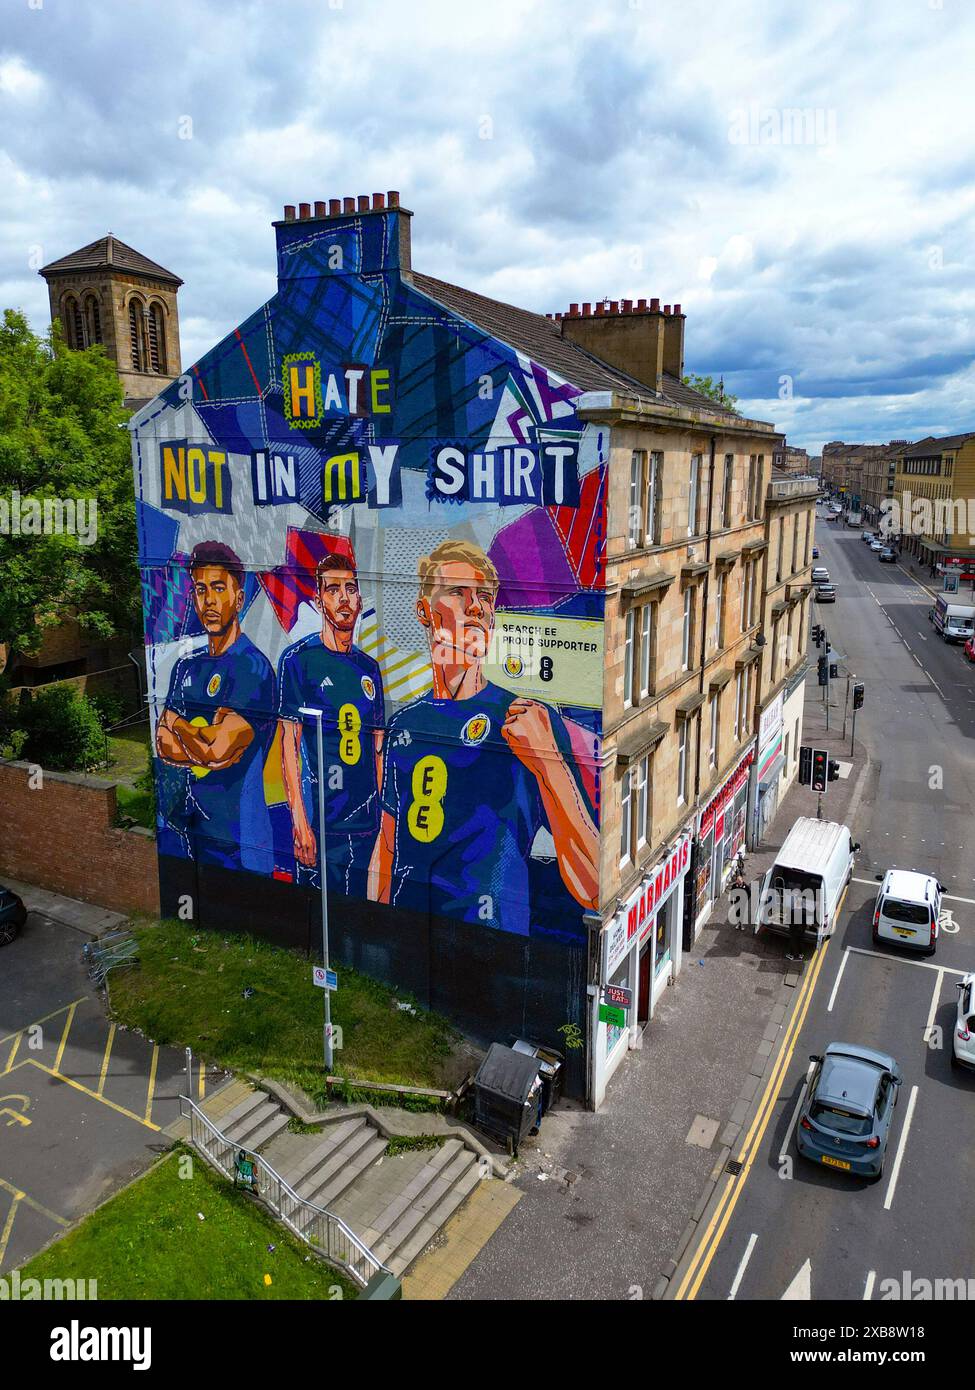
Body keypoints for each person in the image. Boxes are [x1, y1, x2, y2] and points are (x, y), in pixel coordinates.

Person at [367, 538, 598, 934]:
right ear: (424, 611)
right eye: (458, 593)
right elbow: (387, 846)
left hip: (492, 948)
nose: (476, 606)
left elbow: (594, 888)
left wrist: (548, 765)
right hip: (410, 935)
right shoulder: (403, 724)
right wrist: (371, 927)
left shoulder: (527, 719)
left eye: (486, 598)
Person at [156, 541, 276, 872]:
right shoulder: (186, 666)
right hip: (191, 830)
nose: (208, 600)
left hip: (240, 844)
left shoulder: (253, 668)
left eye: (218, 588)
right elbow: (162, 744)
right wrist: (200, 735)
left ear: (238, 598)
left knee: (244, 916)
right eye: (200, 589)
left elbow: (217, 750)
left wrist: (179, 724)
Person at [277, 550, 384, 896]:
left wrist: (384, 823)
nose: (344, 598)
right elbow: (288, 747)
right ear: (319, 600)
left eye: (350, 589)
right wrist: (299, 823)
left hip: (368, 826)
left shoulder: (369, 669)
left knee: (366, 917)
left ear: (359, 598)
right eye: (333, 590)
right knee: (326, 916)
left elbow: (378, 748)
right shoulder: (298, 661)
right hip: (323, 826)